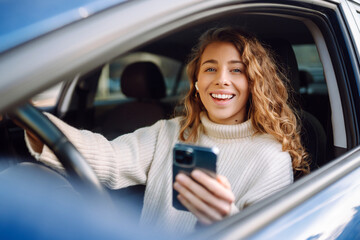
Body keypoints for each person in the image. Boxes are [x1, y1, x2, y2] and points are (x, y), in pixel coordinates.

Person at [24, 27, 309, 234]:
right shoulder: (171, 132)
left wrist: (225, 220)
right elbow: (108, 157)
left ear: (254, 83)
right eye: (210, 69)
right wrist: (28, 117)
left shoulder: (271, 157)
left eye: (237, 70)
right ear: (196, 82)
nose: (222, 80)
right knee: (24, 176)